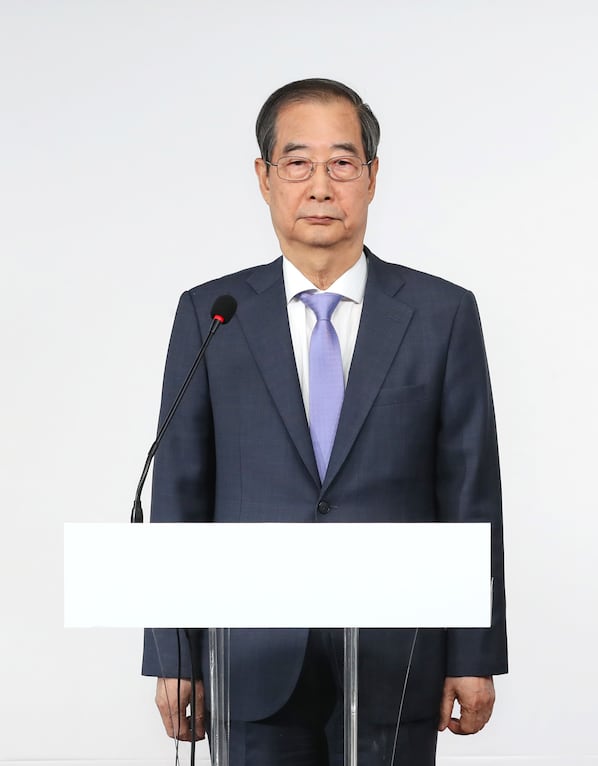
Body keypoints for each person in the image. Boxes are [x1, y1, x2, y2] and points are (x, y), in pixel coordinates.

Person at [140, 78, 507, 765]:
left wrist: (474, 652)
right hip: (249, 652)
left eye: (341, 163)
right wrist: (173, 654)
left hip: (397, 648)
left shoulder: (442, 314)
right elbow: (180, 492)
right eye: (297, 163)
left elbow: (470, 493)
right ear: (264, 177)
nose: (319, 186)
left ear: (371, 176)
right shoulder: (213, 315)